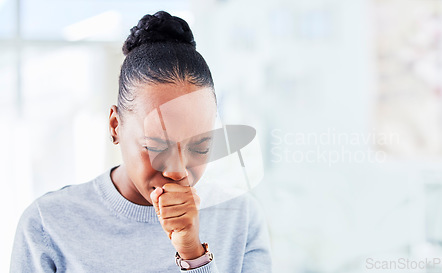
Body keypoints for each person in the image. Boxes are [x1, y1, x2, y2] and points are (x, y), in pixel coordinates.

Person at [10, 11, 272, 272]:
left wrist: (193, 254)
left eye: (200, 147)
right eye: (156, 146)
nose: (177, 171)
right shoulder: (48, 225)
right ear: (115, 126)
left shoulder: (241, 217)